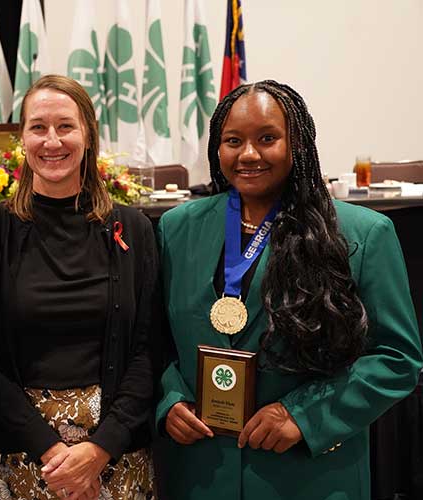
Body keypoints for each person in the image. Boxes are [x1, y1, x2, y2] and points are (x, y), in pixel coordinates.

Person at [155, 79, 423, 500]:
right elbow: (156, 341)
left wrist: (304, 416)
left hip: (308, 477)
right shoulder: (176, 228)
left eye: (267, 139)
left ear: (297, 143)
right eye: (233, 140)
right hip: (201, 473)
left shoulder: (363, 234)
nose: (248, 154)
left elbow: (397, 358)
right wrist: (170, 399)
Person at [0, 74, 158, 500]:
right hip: (21, 454)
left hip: (114, 454)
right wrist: (47, 447)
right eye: (38, 127)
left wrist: (101, 448)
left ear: (88, 134)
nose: (52, 141)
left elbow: (149, 348)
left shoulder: (134, 229)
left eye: (65, 126)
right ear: (22, 139)